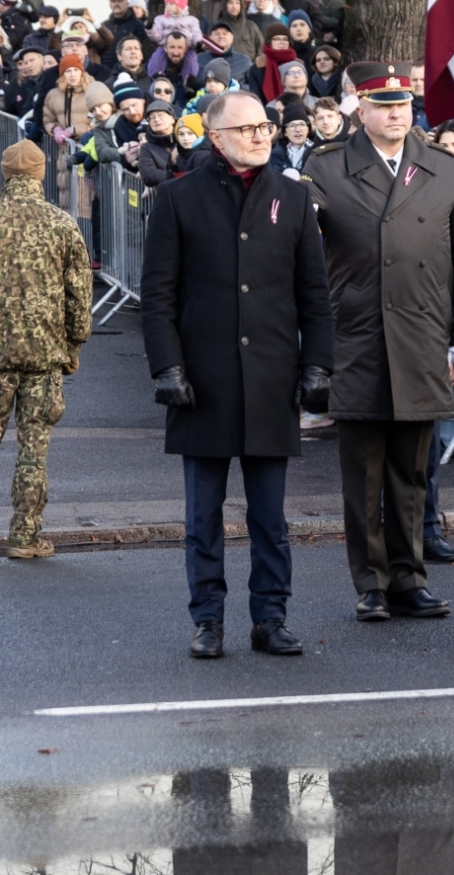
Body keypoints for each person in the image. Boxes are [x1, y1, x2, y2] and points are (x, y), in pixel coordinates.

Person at [140, 90, 333, 658]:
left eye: (264, 127)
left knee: (270, 515)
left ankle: (270, 616)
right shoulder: (178, 198)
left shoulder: (293, 200)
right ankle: (208, 619)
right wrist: (167, 365)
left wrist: (318, 363)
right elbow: (158, 294)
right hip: (202, 380)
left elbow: (314, 296)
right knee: (203, 515)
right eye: (246, 129)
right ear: (216, 138)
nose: (260, 135)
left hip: (272, 379)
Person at [299, 62, 454, 622]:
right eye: (383, 105)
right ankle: (372, 581)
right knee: (363, 472)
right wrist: (313, 349)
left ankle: (410, 577)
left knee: (412, 471)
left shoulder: (441, 167)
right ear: (360, 108)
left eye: (403, 104)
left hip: (423, 337)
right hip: (355, 338)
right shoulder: (327, 167)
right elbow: (303, 260)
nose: (397, 113)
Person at [0, 141, 92, 560]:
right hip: (45, 354)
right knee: (34, 448)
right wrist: (74, 343)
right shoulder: (62, 224)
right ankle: (25, 537)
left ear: (4, 173)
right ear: (42, 173)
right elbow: (79, 293)